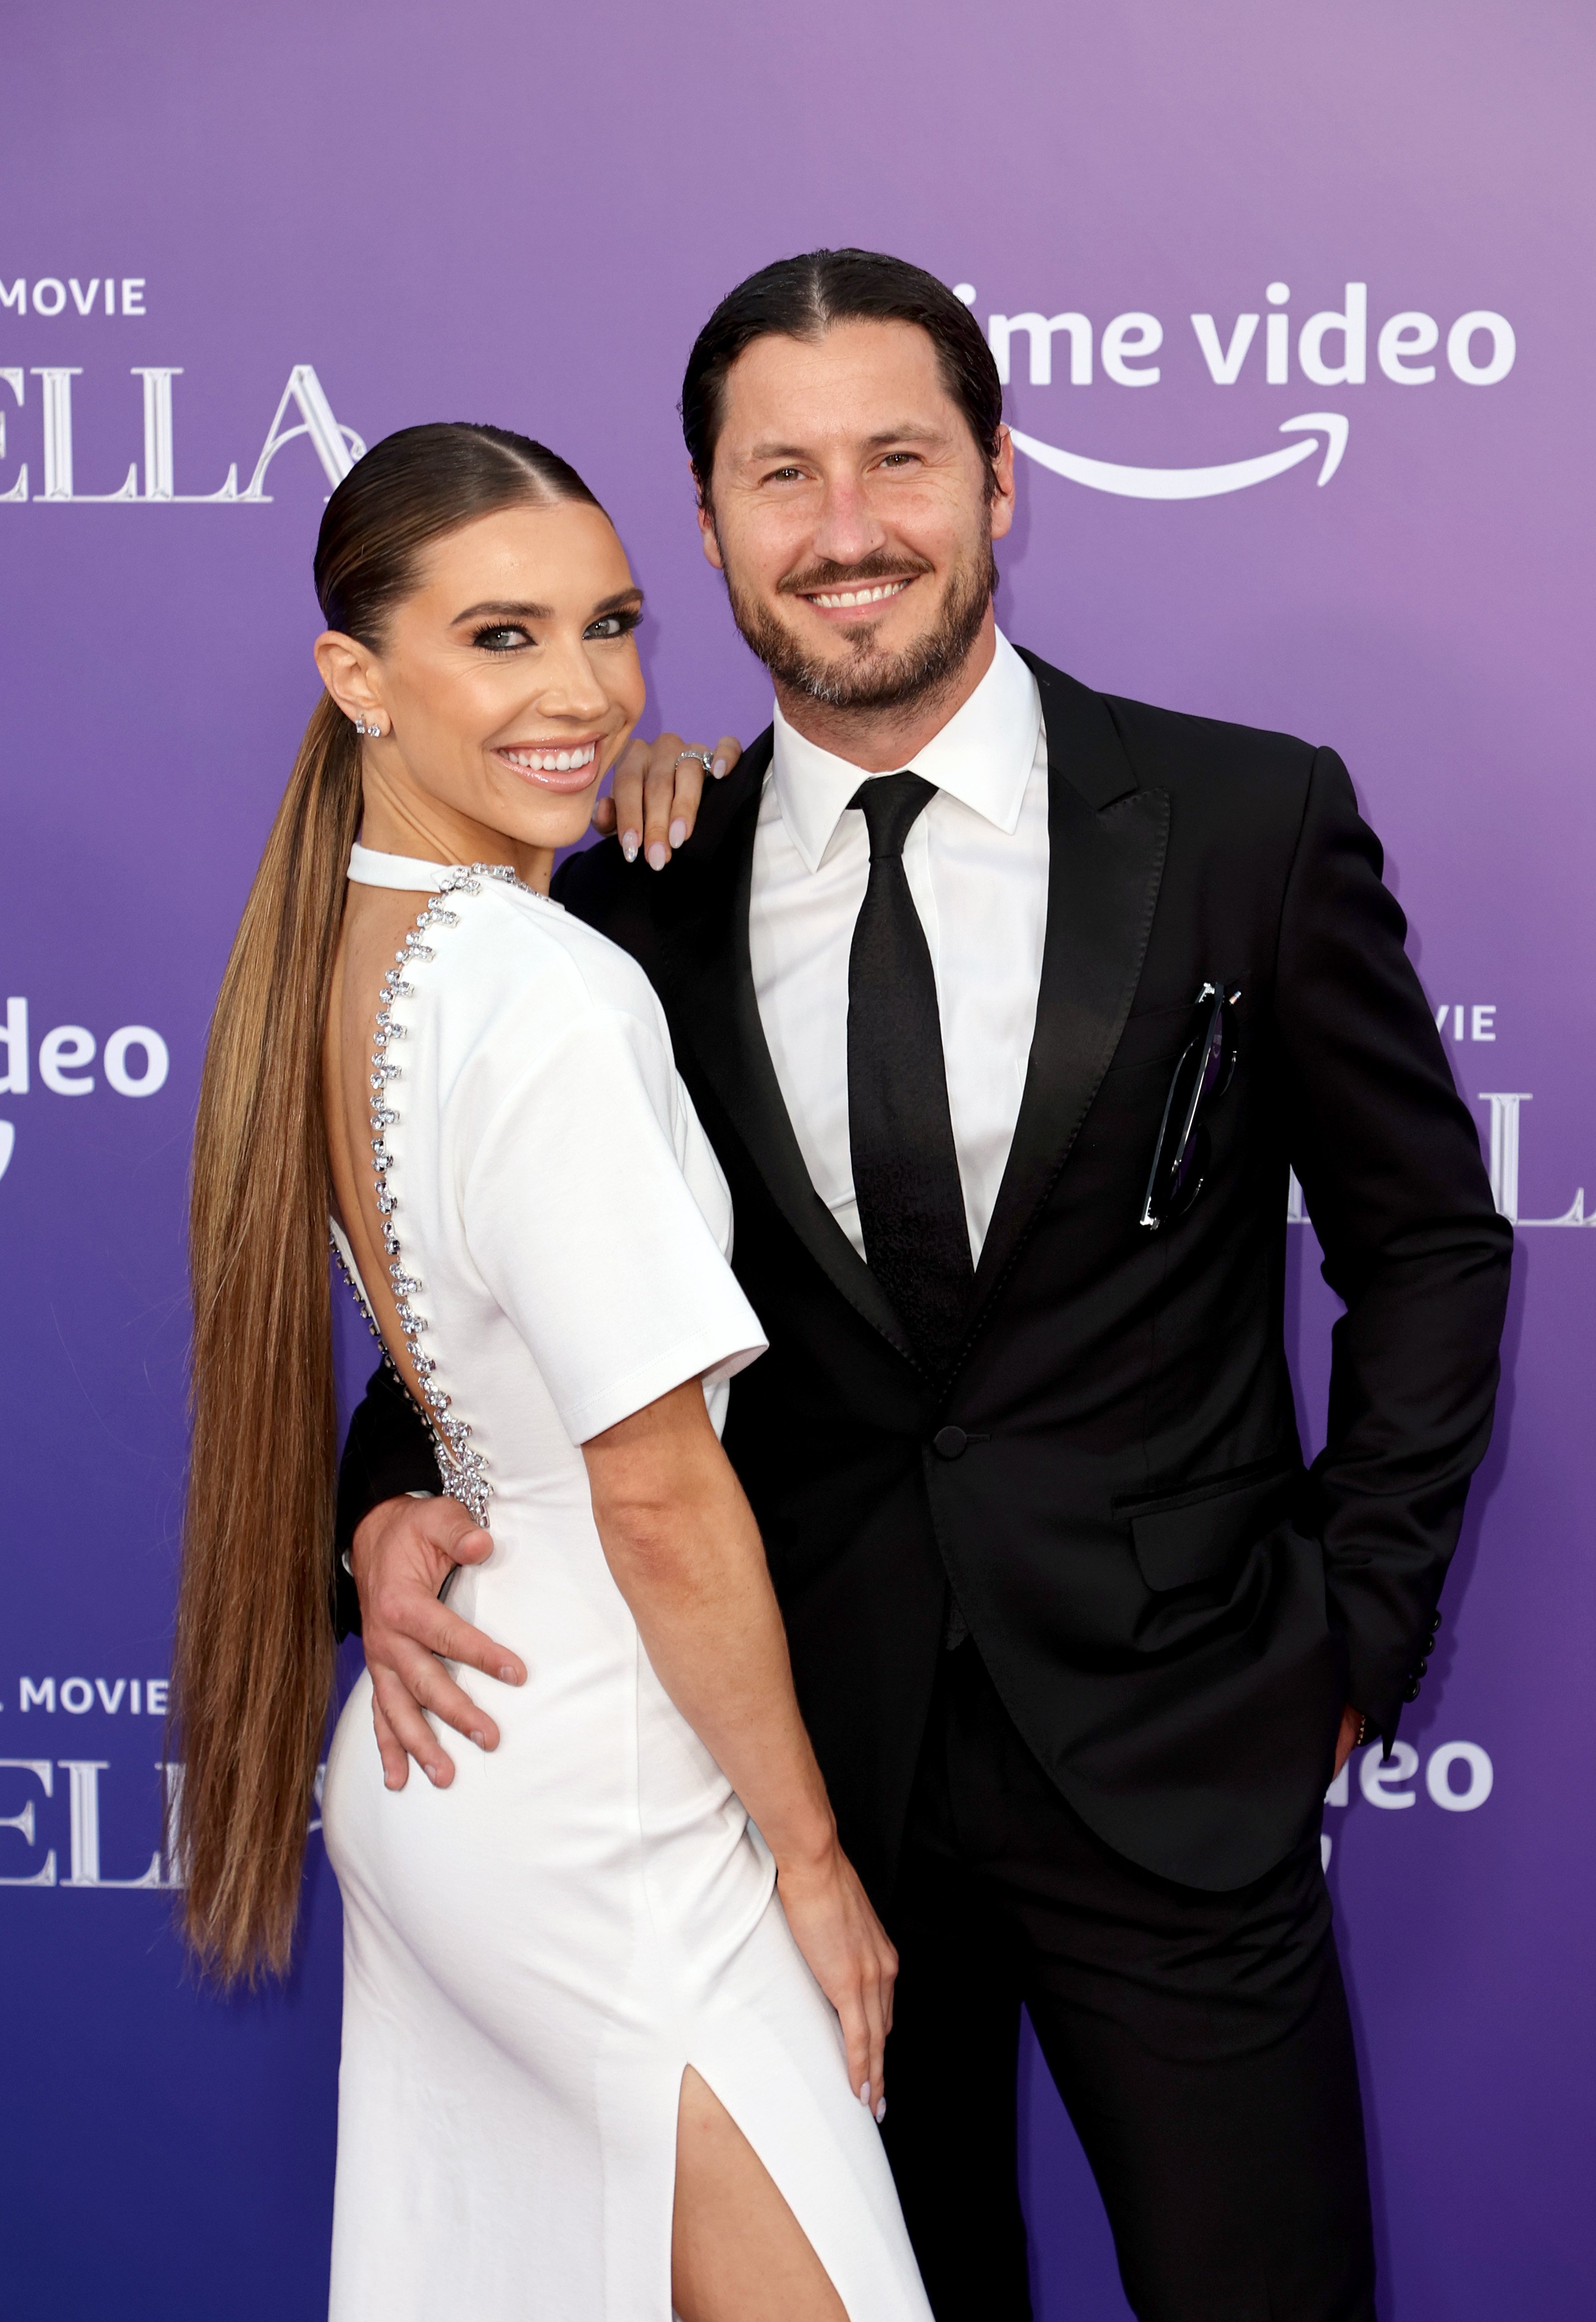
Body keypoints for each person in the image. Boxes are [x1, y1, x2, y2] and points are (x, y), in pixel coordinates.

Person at [335, 256, 1513, 2322]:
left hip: (1177, 1744)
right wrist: (376, 1502)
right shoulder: (627, 891)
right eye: (779, 475)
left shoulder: (1249, 816)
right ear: (704, 527)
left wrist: (1358, 1624)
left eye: (898, 457)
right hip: (794, 1790)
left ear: (998, 482)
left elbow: (1425, 1240)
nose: (846, 526)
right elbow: (516, 1289)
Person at [171, 420, 934, 2322]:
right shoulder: (540, 988)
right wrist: (814, 1859)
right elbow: (661, 1491)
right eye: (501, 638)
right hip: (611, 1817)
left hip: (466, 1777)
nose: (587, 691)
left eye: (610, 625)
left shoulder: (346, 951)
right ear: (361, 677)